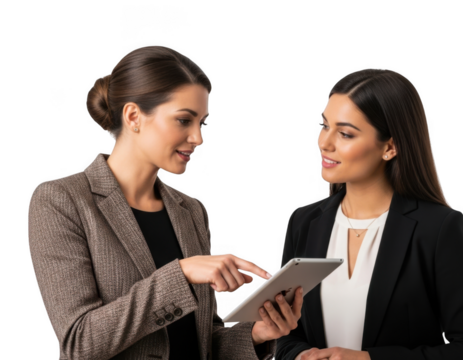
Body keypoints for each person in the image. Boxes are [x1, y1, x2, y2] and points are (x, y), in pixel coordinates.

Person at [27, 45, 303, 360]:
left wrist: (256, 334)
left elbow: (201, 340)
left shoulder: (191, 210)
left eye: (202, 122)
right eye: (184, 120)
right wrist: (181, 273)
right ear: (133, 116)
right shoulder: (62, 201)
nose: (198, 137)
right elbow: (80, 342)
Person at [275, 69, 463, 360]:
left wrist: (369, 359)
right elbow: (288, 336)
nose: (324, 143)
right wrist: (300, 355)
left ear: (390, 147)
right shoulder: (304, 222)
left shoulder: (437, 229)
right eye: (324, 125)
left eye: (345, 133)